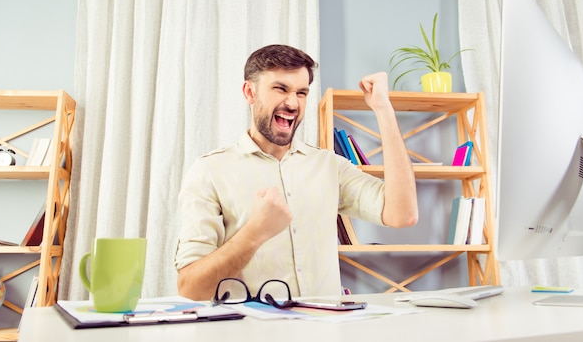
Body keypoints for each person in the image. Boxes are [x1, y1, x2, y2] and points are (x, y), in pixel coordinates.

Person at [175, 44, 417, 301]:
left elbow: (403, 214)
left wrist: (383, 109)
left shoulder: (330, 166)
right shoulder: (209, 171)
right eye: (280, 89)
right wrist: (255, 233)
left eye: (301, 93)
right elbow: (191, 288)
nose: (292, 103)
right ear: (250, 92)